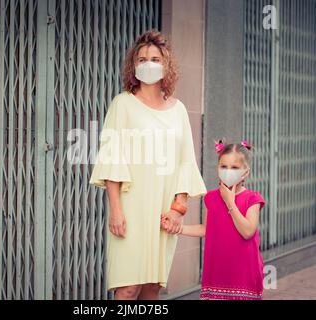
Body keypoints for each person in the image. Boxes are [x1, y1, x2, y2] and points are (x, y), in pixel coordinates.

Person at [89, 30, 206, 300]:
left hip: (164, 210)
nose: (148, 64)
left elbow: (185, 162)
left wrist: (178, 209)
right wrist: (116, 210)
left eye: (154, 58)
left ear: (166, 65)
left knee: (152, 287)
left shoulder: (178, 110)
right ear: (134, 66)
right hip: (131, 209)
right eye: (141, 59)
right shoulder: (123, 104)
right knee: (128, 289)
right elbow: (112, 158)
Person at [161, 139, 266, 300]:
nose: (228, 171)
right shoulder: (211, 198)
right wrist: (178, 228)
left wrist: (230, 202)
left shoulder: (252, 199)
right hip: (218, 271)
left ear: (246, 172)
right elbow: (207, 228)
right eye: (224, 166)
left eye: (235, 167)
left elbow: (247, 232)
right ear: (217, 168)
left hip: (244, 273)